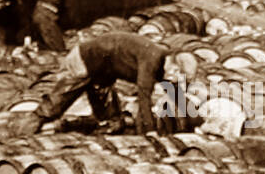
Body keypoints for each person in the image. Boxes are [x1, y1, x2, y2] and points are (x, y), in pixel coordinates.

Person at [35, 32, 177, 135]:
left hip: (103, 74)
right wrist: (151, 132)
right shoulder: (152, 59)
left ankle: (92, 138)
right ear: (172, 62)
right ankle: (24, 133)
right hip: (84, 61)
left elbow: (173, 89)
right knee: (51, 108)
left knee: (112, 121)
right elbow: (144, 97)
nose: (174, 75)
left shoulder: (166, 63)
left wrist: (193, 115)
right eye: (175, 71)